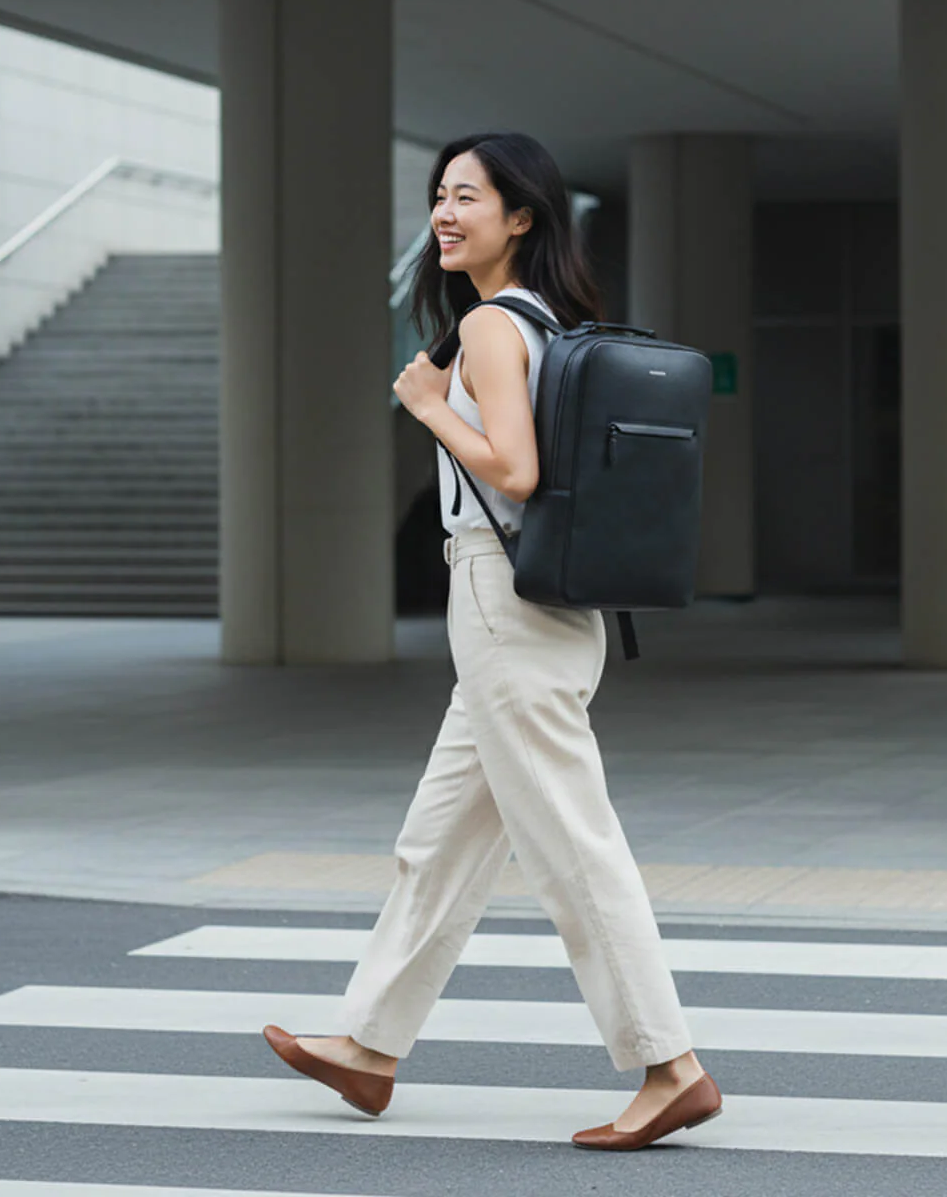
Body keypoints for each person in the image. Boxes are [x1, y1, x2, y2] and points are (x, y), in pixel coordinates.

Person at [263, 131, 721, 1151]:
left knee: (570, 845)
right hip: (547, 612)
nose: (444, 212)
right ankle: (369, 1048)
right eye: (439, 194)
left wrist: (428, 409)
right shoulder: (552, 324)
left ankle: (670, 1065)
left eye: (468, 196)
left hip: (503, 603)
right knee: (440, 844)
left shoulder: (488, 333)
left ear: (523, 217)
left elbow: (511, 470)